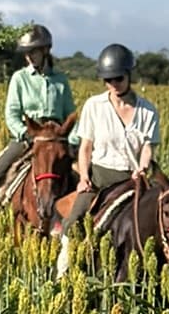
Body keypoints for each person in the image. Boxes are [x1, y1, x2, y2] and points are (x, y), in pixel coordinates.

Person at [0, 24, 75, 235]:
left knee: (84, 178)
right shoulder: (19, 79)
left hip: (57, 138)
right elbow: (12, 113)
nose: (29, 57)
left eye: (33, 51)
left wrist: (72, 140)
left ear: (45, 50)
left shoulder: (60, 81)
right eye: (26, 53)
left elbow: (70, 113)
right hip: (28, 135)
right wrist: (25, 133)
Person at [64, 43, 160, 232]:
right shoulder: (94, 105)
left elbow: (148, 147)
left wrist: (142, 169)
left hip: (133, 179)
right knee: (72, 224)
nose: (114, 84)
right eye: (108, 80)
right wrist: (83, 177)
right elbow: (85, 147)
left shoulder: (147, 110)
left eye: (119, 78)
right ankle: (63, 261)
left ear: (129, 75)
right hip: (100, 178)